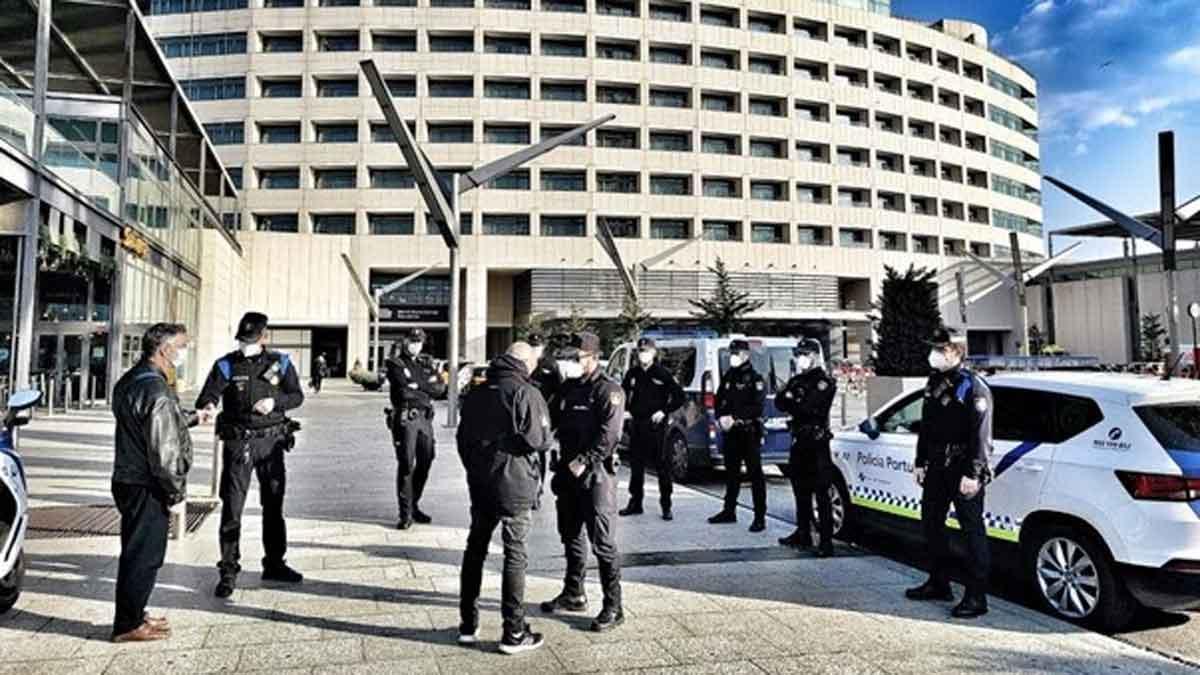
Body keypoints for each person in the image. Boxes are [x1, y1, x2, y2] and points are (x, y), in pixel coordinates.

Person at [111, 323, 209, 642]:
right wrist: (176, 491)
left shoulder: (131, 380)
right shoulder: (158, 391)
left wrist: (194, 417)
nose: (185, 352)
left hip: (126, 477)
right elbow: (163, 452)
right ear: (165, 349)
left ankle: (134, 613)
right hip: (148, 483)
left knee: (134, 550)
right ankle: (128, 625)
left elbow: (156, 421)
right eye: (182, 346)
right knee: (145, 556)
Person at [196, 312, 305, 598]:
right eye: (243, 340)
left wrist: (276, 401)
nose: (247, 344)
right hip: (239, 446)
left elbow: (296, 396)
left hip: (271, 444)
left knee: (273, 506)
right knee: (232, 508)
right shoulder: (226, 364)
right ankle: (228, 570)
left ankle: (274, 563)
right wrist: (207, 406)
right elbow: (208, 396)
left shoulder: (280, 363)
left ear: (264, 337)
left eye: (252, 339)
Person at [457, 342, 553, 654]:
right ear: (525, 363)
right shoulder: (526, 393)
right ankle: (513, 631)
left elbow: (462, 441)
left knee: (475, 550)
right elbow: (539, 439)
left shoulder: (477, 392)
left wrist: (476, 467)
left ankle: (468, 624)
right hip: (515, 485)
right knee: (515, 555)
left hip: (480, 483)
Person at [905, 327, 994, 619]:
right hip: (937, 466)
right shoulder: (934, 383)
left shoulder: (973, 386)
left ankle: (976, 596)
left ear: (956, 351)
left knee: (972, 532)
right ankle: (939, 582)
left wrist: (974, 471)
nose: (935, 354)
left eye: (941, 349)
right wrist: (920, 461)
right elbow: (926, 426)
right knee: (931, 523)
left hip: (963, 466)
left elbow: (981, 433)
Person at [540, 332, 625, 632]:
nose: (573, 363)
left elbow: (609, 434)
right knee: (571, 535)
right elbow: (551, 420)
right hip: (568, 474)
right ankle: (573, 593)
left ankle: (613, 606)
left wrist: (584, 460)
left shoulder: (608, 390)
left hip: (596, 476)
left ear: (593, 357)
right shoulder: (569, 389)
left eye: (578, 358)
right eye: (570, 358)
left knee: (602, 542)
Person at [774, 339, 837, 556]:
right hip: (799, 441)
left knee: (821, 492)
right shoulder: (798, 379)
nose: (801, 358)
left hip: (817, 443)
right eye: (799, 354)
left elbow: (809, 408)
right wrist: (793, 399)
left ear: (814, 356)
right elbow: (780, 402)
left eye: (805, 354)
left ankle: (826, 542)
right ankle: (803, 533)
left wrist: (794, 399)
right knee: (799, 489)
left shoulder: (824, 382)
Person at [619, 337, 685, 521]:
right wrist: (625, 412)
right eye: (640, 351)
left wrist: (664, 411)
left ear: (654, 353)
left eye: (646, 351)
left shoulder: (662, 374)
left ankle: (666, 505)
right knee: (636, 466)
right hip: (637, 425)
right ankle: (636, 502)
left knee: (662, 466)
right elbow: (623, 395)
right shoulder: (632, 374)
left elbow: (679, 396)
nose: (643, 354)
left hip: (656, 427)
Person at [708, 339, 768, 532]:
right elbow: (718, 400)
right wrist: (720, 418)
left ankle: (760, 517)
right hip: (731, 433)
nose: (733, 357)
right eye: (732, 353)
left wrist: (735, 417)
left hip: (748, 431)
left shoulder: (755, 378)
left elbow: (757, 407)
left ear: (746, 355)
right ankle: (729, 510)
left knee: (755, 474)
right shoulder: (729, 377)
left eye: (737, 353)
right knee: (731, 473)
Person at [386, 328, 440, 529]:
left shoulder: (426, 363)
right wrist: (425, 387)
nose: (415, 345)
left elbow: (440, 388)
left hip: (425, 419)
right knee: (407, 464)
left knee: (426, 461)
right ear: (404, 341)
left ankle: (414, 504)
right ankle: (405, 513)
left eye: (418, 342)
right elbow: (403, 391)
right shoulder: (395, 363)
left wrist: (417, 386)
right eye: (412, 341)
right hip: (406, 418)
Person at [527, 333, 562, 511]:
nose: (535, 348)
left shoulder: (550, 365)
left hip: (543, 417)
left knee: (539, 455)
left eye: (537, 346)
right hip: (525, 415)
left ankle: (537, 491)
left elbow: (559, 392)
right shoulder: (524, 363)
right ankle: (528, 489)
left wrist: (553, 421)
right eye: (532, 345)